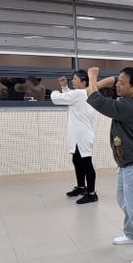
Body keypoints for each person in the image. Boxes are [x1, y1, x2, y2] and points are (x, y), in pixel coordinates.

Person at [86, 67, 133, 263]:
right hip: (126, 162)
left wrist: (93, 76)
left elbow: (95, 98)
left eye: (122, 83)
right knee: (124, 200)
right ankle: (132, 233)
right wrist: (112, 81)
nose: (117, 86)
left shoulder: (129, 107)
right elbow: (106, 85)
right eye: (117, 82)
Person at [50, 71, 98, 204]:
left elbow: (57, 99)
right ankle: (81, 187)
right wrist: (64, 87)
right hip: (80, 134)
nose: (72, 81)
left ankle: (92, 193)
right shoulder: (84, 93)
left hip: (82, 135)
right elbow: (69, 97)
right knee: (77, 160)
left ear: (84, 82)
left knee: (86, 163)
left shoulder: (78, 93)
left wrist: (54, 91)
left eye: (75, 79)